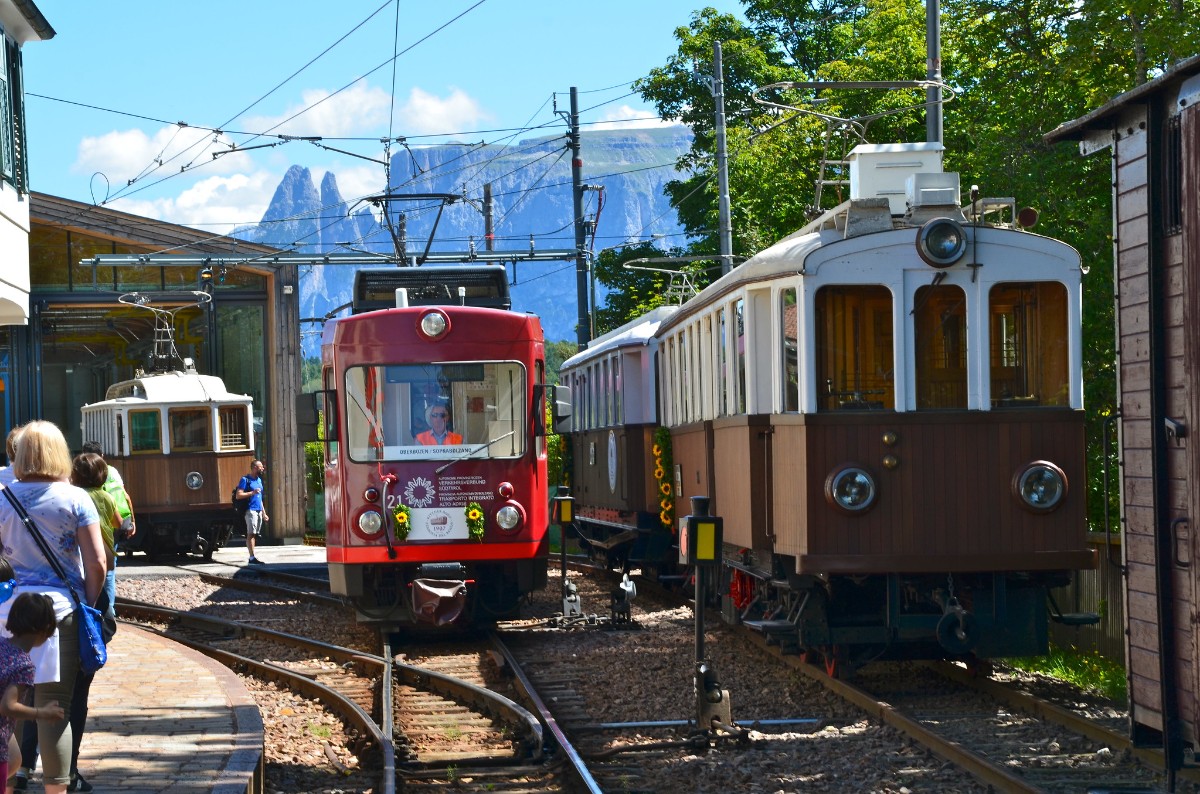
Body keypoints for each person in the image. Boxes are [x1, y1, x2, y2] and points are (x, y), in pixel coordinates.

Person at [0, 421, 104, 794]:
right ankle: (57, 789)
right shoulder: (76, 499)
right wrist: (85, 605)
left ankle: (8, 785)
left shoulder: (1, 497)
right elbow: (96, 564)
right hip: (60, 612)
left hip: (8, 615)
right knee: (55, 707)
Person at [1, 593, 65, 792]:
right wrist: (42, 713)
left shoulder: (1, 645)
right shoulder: (24, 665)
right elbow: (7, 706)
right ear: (46, 629)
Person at [79, 442, 135, 548]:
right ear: (102, 455)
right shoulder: (112, 471)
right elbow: (125, 496)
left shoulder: (81, 473)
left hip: (91, 524)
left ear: (83, 456)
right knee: (110, 558)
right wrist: (132, 522)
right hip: (112, 523)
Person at [235, 460, 269, 565]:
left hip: (258, 510)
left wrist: (264, 513)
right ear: (254, 467)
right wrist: (251, 492)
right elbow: (238, 495)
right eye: (261, 467)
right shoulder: (245, 480)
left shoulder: (259, 480)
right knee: (251, 534)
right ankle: (251, 557)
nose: (262, 469)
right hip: (250, 510)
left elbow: (260, 499)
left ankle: (253, 557)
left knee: (254, 534)